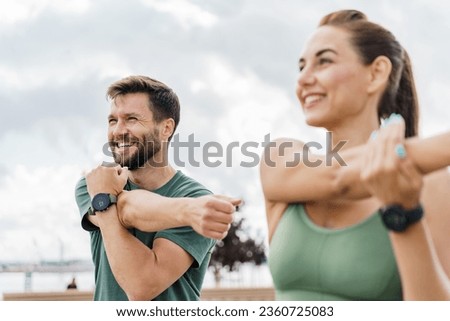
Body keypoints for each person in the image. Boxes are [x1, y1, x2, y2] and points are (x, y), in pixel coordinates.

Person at [260, 10, 450, 300]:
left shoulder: (434, 184)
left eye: (324, 61)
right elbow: (339, 177)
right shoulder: (281, 156)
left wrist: (405, 214)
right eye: (301, 67)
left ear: (375, 74)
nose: (303, 80)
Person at [75, 75, 241, 301]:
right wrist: (185, 211)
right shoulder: (93, 183)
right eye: (112, 121)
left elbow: (141, 285)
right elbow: (127, 208)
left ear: (166, 128)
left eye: (131, 119)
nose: (118, 131)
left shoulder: (195, 197)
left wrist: (104, 202)